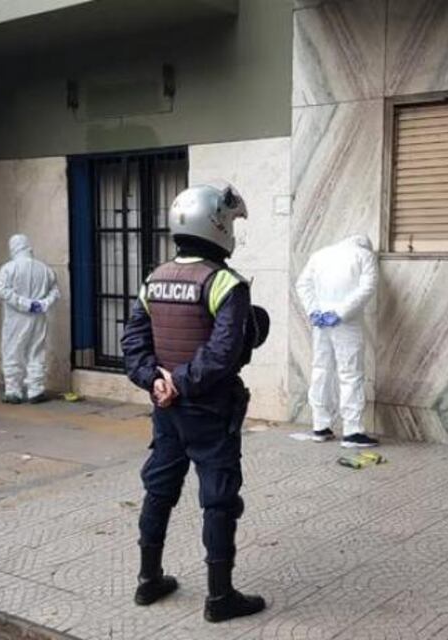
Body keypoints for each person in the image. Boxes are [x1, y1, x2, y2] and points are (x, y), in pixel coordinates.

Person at [122, 183, 269, 623]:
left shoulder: (155, 278)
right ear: (217, 225)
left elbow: (133, 343)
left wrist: (157, 382)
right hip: (209, 410)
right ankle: (220, 598)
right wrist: (182, 384)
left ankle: (149, 581)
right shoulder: (226, 282)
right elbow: (223, 353)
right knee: (219, 499)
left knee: (159, 490)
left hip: (166, 411)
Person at [295, 235, 379, 447]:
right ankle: (352, 431)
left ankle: (320, 426)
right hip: (346, 323)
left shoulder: (320, 255)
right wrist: (340, 312)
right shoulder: (365, 255)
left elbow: (302, 284)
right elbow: (367, 288)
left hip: (321, 321)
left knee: (321, 369)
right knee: (350, 374)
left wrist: (314, 311)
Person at [0, 234, 60, 404]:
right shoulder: (45, 269)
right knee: (36, 351)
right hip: (38, 317)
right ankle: (36, 390)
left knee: (12, 352)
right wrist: (42, 304)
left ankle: (13, 391)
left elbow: (3, 291)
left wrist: (25, 304)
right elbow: (55, 291)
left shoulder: (8, 269)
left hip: (16, 318)